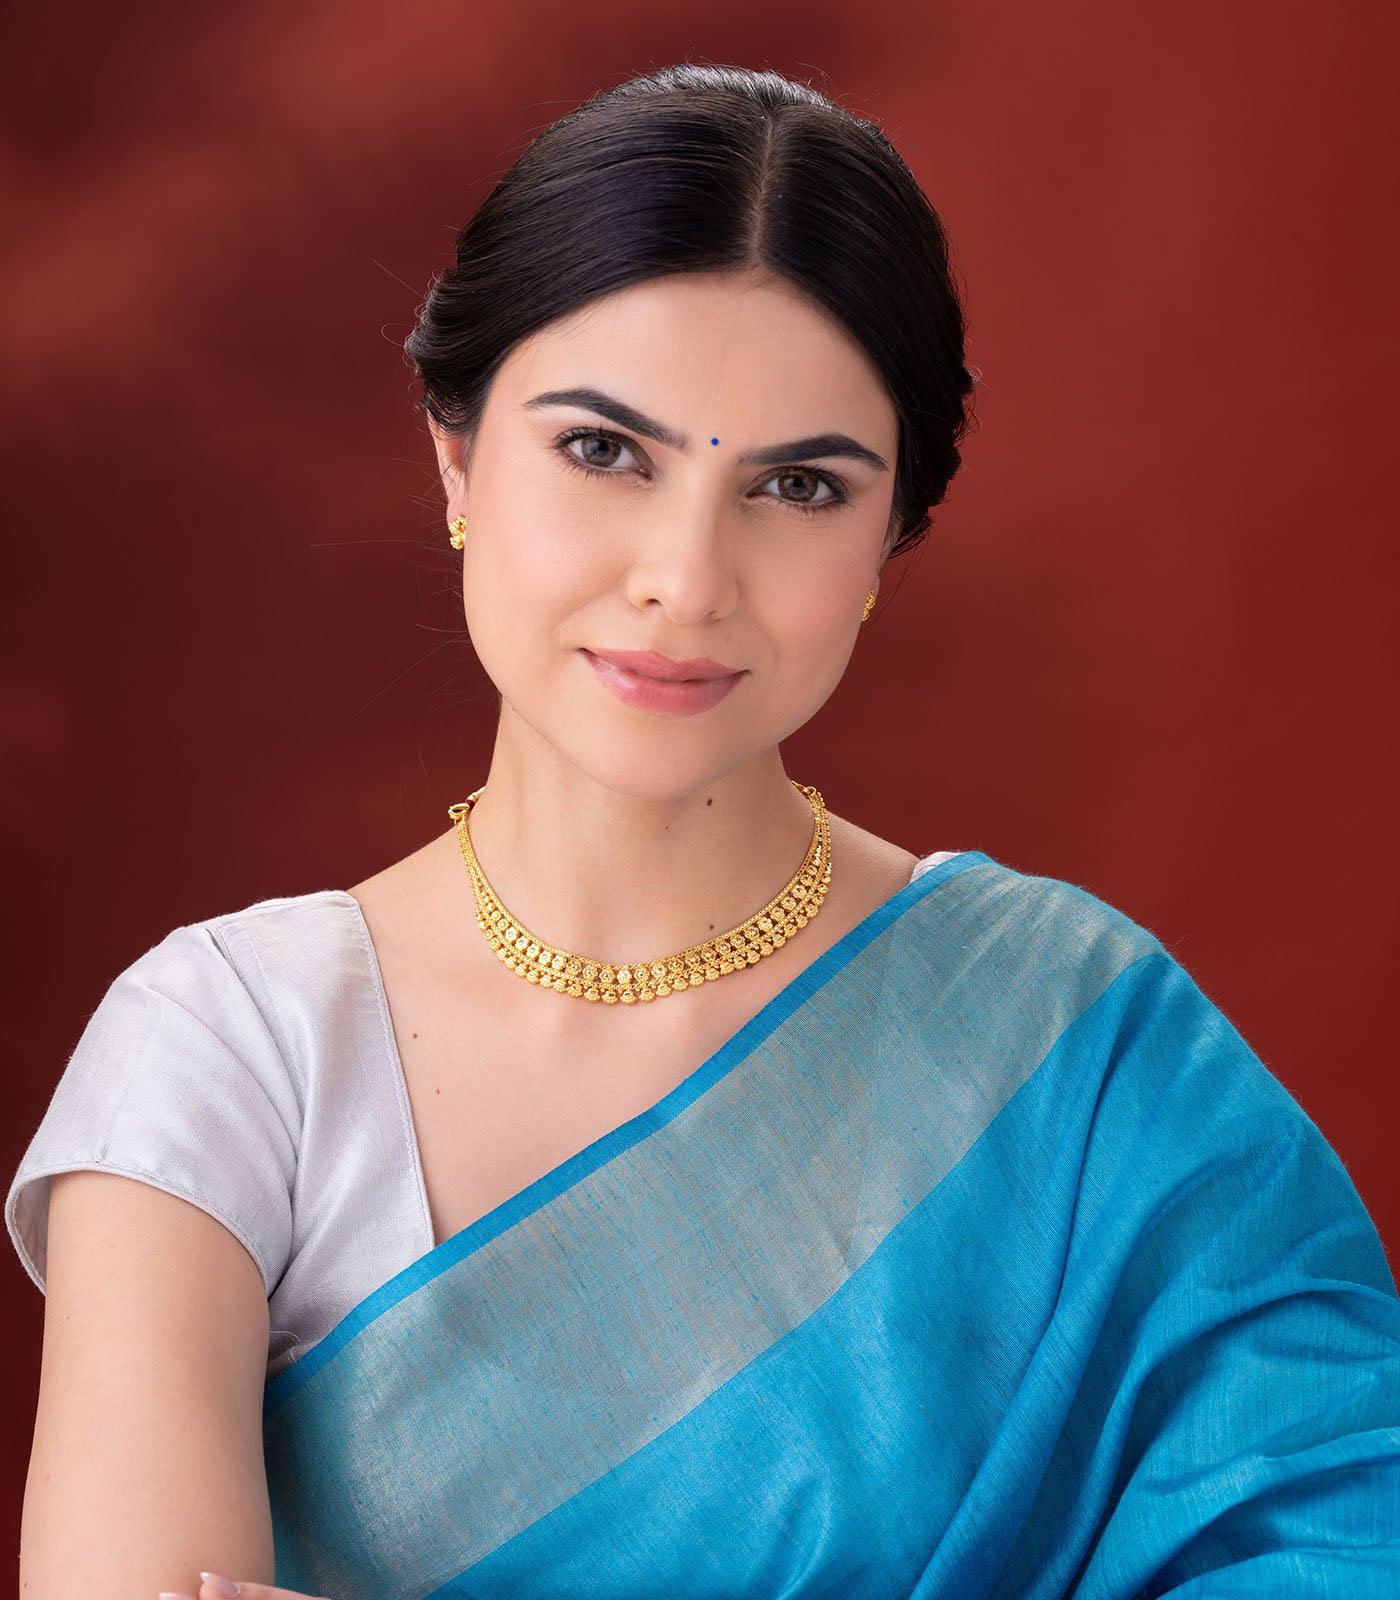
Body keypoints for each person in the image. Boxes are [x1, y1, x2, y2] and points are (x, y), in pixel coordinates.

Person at [8, 61, 1400, 1600]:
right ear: (457, 458)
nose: (687, 577)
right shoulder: (234, 1050)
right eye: (605, 451)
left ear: (890, 542)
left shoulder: (1077, 1050)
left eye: (799, 486)